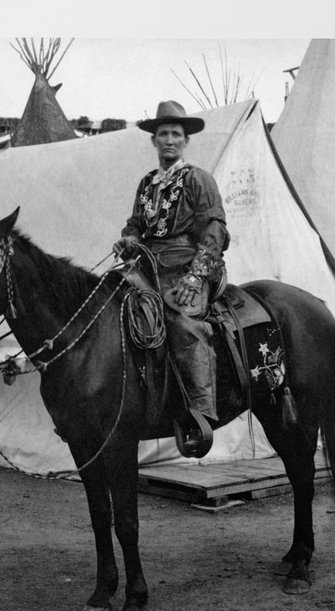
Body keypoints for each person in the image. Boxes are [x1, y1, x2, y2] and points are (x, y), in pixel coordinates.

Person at [113, 100, 229, 451]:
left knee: (183, 323)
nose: (169, 140)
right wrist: (129, 238)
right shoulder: (147, 183)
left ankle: (200, 412)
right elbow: (136, 223)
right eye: (162, 134)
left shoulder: (198, 179)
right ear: (153, 141)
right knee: (113, 307)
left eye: (175, 134)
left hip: (188, 266)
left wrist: (196, 278)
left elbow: (215, 230)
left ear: (185, 141)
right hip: (147, 266)